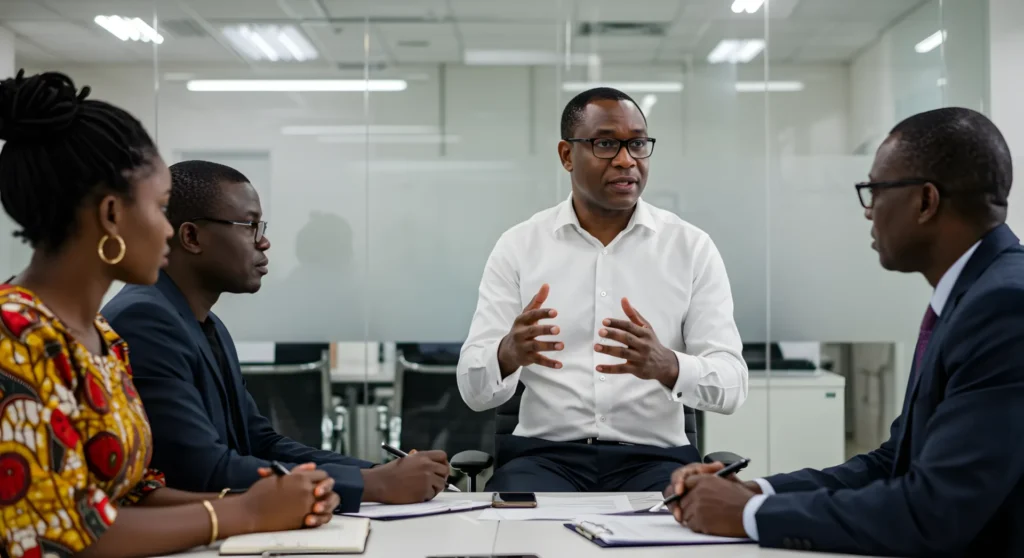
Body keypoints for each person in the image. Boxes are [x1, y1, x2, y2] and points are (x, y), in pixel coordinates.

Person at [0, 70, 337, 558]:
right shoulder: (16, 335)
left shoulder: (99, 337)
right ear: (112, 215)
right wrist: (242, 513)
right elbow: (57, 531)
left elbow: (128, 495)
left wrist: (270, 502)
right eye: (160, 209)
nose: (169, 231)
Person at [666, 107, 1024, 556]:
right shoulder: (972, 296)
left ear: (926, 201)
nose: (868, 212)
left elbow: (934, 511)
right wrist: (756, 492)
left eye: (875, 190)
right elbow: (894, 463)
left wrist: (747, 516)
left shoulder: (1005, 306)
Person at [102, 160, 450, 512]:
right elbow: (201, 470)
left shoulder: (206, 324)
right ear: (192, 237)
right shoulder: (145, 321)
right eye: (250, 226)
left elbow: (258, 442)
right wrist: (373, 484)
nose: (264, 242)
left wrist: (378, 473)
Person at [456, 87, 749, 492]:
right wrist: (507, 354)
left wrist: (669, 365)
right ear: (566, 155)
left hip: (656, 461)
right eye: (606, 143)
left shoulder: (690, 248)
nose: (627, 160)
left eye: (638, 144)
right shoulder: (520, 247)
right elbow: (473, 391)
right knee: (514, 542)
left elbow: (733, 385)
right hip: (544, 460)